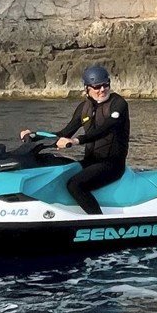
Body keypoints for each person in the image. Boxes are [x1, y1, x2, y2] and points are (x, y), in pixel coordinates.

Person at [19, 65, 130, 214]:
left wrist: (78, 140)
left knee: (75, 185)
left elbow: (105, 128)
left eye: (106, 85)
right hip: (90, 162)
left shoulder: (118, 104)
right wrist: (35, 135)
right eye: (97, 87)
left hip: (112, 164)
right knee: (58, 173)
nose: (102, 89)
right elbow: (64, 133)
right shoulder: (84, 108)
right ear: (87, 88)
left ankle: (97, 220)